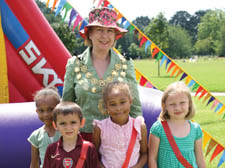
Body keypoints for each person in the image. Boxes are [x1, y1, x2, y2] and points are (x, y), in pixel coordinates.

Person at [62, 7, 142, 142]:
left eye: (110, 31)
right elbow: (66, 106)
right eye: (99, 30)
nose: (105, 36)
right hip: (83, 139)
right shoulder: (74, 64)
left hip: (119, 139)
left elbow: (135, 107)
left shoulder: (125, 64)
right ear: (90, 34)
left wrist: (137, 136)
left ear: (115, 35)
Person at [148, 81, 206, 168]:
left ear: (189, 103)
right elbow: (152, 158)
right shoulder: (158, 129)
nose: (177, 108)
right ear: (165, 106)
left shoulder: (196, 129)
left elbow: (200, 159)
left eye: (182, 103)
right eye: (172, 104)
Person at [92, 81, 147, 168]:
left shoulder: (139, 126)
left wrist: (137, 166)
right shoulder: (100, 128)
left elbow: (144, 154)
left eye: (122, 102)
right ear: (106, 106)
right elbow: (93, 155)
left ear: (130, 101)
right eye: (113, 104)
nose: (118, 108)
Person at [43, 101, 100, 168]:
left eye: (73, 122)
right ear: (55, 125)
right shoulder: (51, 149)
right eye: (63, 123)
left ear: (82, 123)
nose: (68, 128)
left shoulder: (89, 148)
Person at [28, 86, 61, 168]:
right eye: (41, 111)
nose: (46, 114)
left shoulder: (67, 131)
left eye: (50, 109)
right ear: (37, 111)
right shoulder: (36, 136)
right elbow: (34, 163)